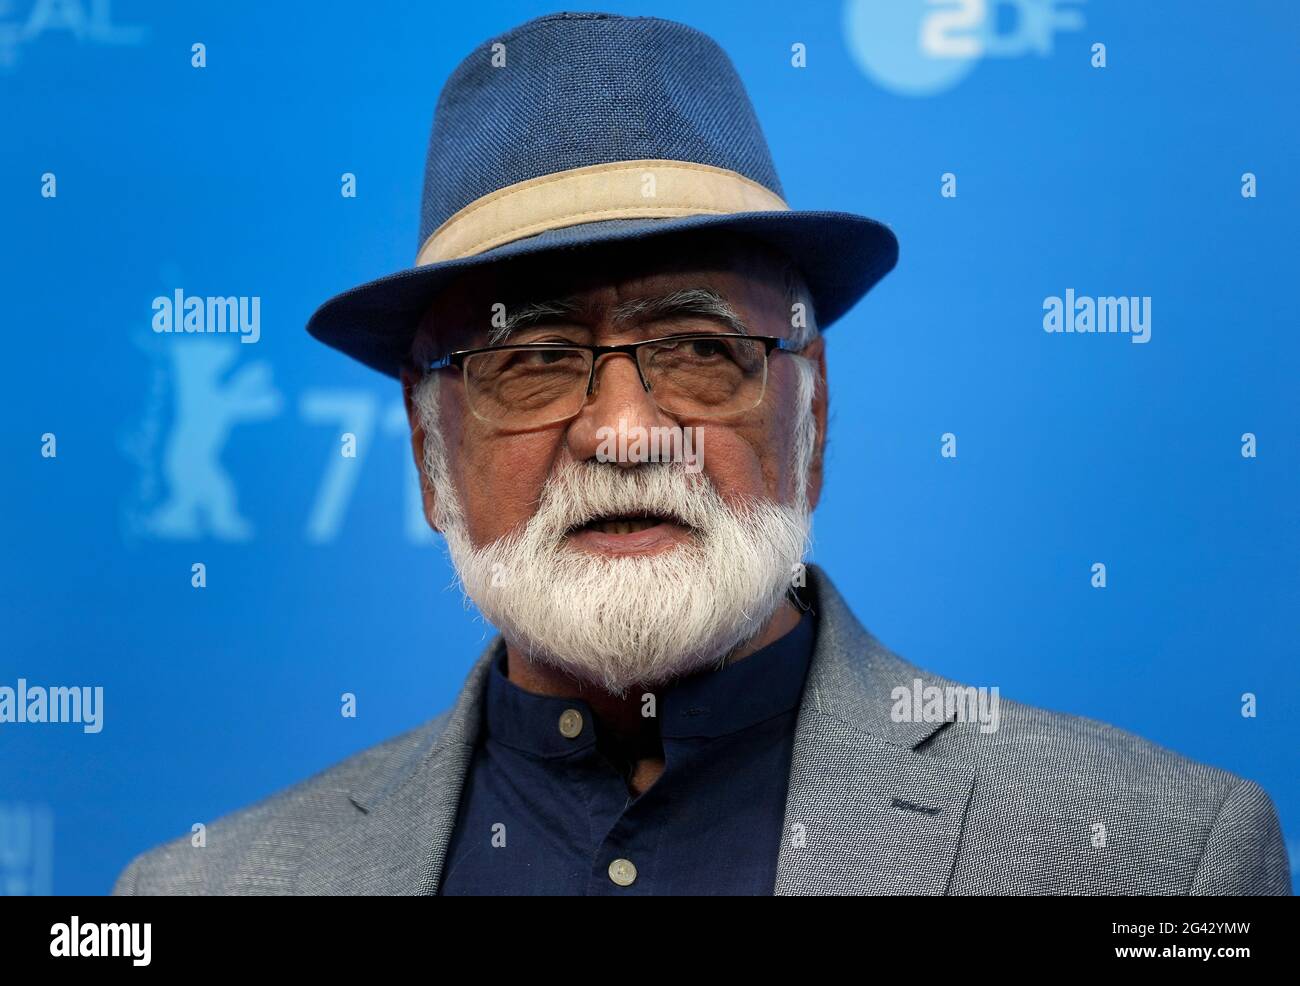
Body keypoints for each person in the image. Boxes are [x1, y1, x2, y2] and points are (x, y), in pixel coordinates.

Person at [113, 11, 1289, 896]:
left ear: (811, 417)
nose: (627, 433)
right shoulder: (203, 892)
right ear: (428, 459)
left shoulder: (1158, 862)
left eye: (693, 346)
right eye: (529, 362)